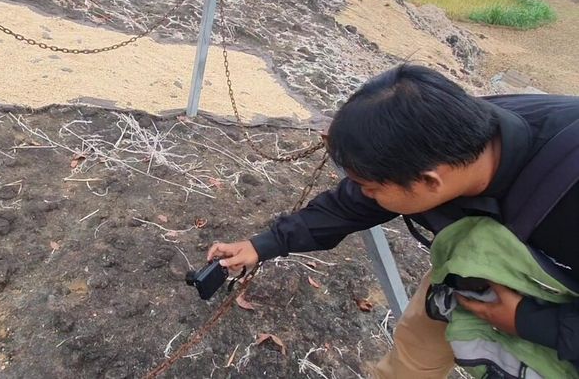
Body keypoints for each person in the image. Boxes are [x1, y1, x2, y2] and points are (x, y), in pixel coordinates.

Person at [207, 64, 579, 378]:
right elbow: (352, 203)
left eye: (370, 186)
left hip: (559, 307)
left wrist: (530, 321)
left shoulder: (567, 187)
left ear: (431, 181)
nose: (363, 193)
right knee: (415, 350)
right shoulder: (444, 135)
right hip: (469, 270)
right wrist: (263, 245)